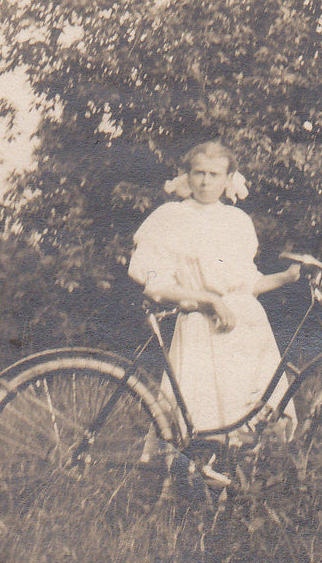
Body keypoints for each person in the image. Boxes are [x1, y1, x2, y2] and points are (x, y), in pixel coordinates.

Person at [128, 142, 300, 440]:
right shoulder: (170, 217)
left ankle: (238, 481)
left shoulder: (238, 221)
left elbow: (247, 285)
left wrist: (285, 277)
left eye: (215, 174)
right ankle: (190, 480)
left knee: (248, 419)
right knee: (200, 421)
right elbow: (155, 284)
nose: (206, 181)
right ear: (187, 175)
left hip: (247, 327)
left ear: (228, 178)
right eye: (199, 173)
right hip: (201, 327)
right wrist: (209, 299)